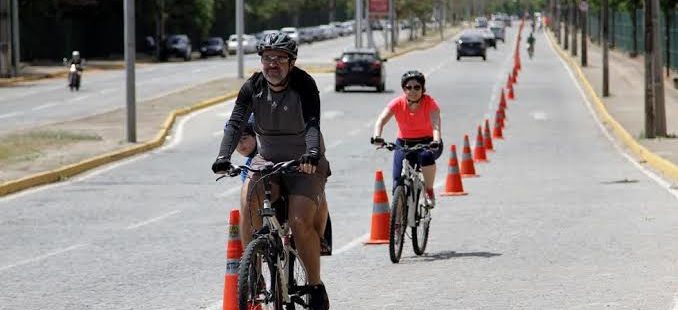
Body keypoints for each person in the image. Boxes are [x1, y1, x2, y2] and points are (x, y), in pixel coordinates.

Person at [211, 31, 330, 309]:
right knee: (248, 195)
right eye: (267, 58)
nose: (272, 64)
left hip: (304, 160)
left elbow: (313, 122)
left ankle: (315, 286)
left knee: (300, 221)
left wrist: (312, 154)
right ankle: (253, 269)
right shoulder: (252, 86)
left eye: (279, 58)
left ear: (291, 62)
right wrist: (222, 156)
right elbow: (235, 122)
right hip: (268, 158)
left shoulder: (304, 84)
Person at [371, 70, 443, 208]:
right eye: (408, 87)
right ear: (404, 89)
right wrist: (377, 136)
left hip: (428, 142)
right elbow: (381, 120)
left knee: (426, 156)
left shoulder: (430, 103)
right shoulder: (397, 103)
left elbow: (436, 125)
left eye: (417, 87)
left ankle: (429, 191)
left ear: (423, 89)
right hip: (404, 143)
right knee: (397, 181)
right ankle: (399, 216)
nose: (412, 91)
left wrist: (436, 141)